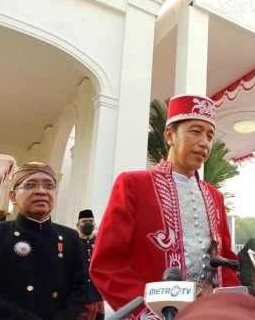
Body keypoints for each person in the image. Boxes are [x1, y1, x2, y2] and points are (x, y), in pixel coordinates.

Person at [90, 94, 241, 319]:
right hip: (156, 313)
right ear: (170, 135)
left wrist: (235, 304)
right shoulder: (133, 184)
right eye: (195, 131)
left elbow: (227, 261)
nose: (204, 143)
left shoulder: (215, 196)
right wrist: (147, 311)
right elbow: (107, 263)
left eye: (210, 136)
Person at [0, 162, 85, 319]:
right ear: (13, 197)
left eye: (49, 185)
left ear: (55, 196)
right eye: (30, 185)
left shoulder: (70, 237)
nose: (41, 191)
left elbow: (78, 290)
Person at [76, 209, 104, 320]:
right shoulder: (74, 242)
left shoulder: (99, 242)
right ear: (78, 225)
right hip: (79, 297)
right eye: (85, 221)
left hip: (97, 296)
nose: (88, 223)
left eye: (91, 221)